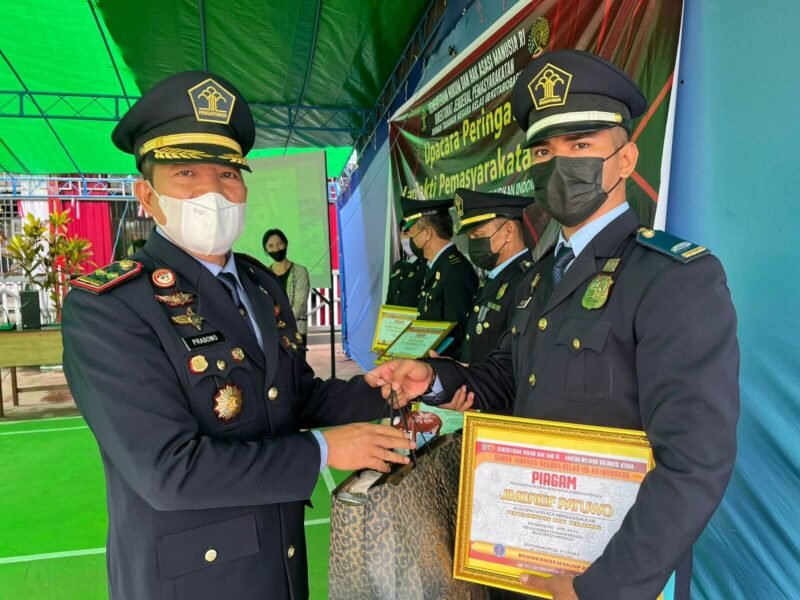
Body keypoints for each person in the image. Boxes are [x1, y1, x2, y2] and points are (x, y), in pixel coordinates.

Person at [367, 50, 739, 600]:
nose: (559, 163)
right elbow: (509, 380)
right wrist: (436, 377)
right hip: (523, 555)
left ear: (626, 159)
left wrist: (603, 587)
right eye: (544, 150)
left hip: (605, 573)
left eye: (580, 145)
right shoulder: (538, 277)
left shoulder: (673, 278)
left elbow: (695, 459)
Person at [61, 70, 413, 600]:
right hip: (191, 581)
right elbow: (169, 470)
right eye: (186, 173)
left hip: (278, 562)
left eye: (228, 174)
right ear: (146, 196)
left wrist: (384, 389)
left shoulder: (260, 284)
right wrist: (322, 450)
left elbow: (294, 395)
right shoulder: (110, 306)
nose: (212, 192)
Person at [454, 188, 533, 365]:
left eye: (478, 235)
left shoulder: (527, 281)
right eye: (469, 237)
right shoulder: (493, 279)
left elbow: (515, 361)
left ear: (509, 231)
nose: (473, 244)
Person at [400, 196, 478, 356]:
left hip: (444, 364)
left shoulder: (455, 270)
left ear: (427, 233)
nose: (411, 240)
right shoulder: (436, 266)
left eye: (412, 233)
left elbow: (459, 332)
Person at [263, 228, 310, 345]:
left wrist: (281, 325)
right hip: (272, 333)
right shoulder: (264, 274)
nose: (276, 248)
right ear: (266, 250)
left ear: (286, 244)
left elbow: (299, 304)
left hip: (296, 331)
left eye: (279, 244)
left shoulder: (300, 271)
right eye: (270, 246)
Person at [385, 212, 427, 308]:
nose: (408, 239)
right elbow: (390, 302)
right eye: (404, 234)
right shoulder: (398, 266)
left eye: (410, 234)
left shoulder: (426, 264)